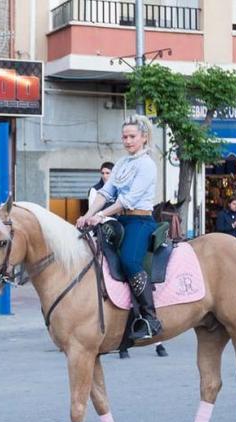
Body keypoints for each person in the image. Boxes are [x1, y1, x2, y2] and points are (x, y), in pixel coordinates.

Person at [76, 115, 161, 340]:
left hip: (140, 221)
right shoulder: (122, 163)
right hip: (120, 219)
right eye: (124, 137)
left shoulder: (147, 165)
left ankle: (150, 317)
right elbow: (105, 193)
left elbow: (128, 200)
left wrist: (101, 215)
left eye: (132, 136)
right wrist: (87, 215)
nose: (127, 141)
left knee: (129, 261)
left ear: (143, 137)